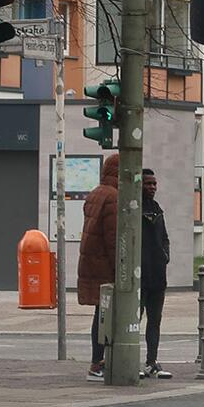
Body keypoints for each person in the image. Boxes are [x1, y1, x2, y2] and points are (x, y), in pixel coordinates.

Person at [78, 154, 119, 381]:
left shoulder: (96, 193)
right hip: (105, 266)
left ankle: (99, 360)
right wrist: (119, 269)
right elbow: (114, 239)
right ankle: (98, 362)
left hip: (92, 262)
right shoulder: (113, 197)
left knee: (101, 313)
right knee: (105, 315)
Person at [140, 169, 172, 379]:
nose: (152, 187)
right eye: (148, 184)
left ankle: (152, 361)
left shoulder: (157, 210)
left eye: (154, 184)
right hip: (139, 276)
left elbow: (164, 237)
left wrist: (165, 256)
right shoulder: (133, 208)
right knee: (134, 320)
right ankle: (131, 362)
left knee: (155, 321)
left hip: (157, 276)